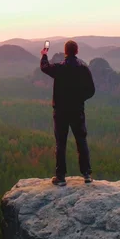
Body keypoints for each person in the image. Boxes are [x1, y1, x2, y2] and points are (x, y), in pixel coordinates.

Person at [40, 40, 95, 186]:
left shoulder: (59, 68)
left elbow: (44, 67)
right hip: (77, 111)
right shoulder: (83, 69)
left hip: (61, 111)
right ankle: (87, 174)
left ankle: (61, 177)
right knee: (81, 141)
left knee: (61, 143)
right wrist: (79, 99)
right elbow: (91, 90)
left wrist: (44, 55)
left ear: (65, 52)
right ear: (76, 51)